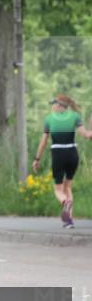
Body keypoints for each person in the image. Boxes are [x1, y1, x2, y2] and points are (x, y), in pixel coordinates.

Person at [33, 94, 92, 229]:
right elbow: (87, 135)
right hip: (72, 154)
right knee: (68, 187)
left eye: (54, 104)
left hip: (58, 154)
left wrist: (37, 159)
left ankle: (65, 202)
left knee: (58, 190)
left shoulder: (49, 119)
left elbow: (43, 142)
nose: (52, 106)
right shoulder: (75, 117)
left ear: (60, 106)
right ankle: (68, 221)